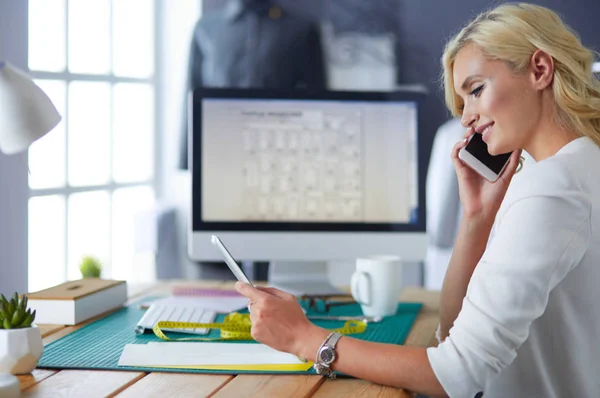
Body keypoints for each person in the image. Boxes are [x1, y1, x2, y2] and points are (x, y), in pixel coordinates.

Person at [235, 3, 600, 397]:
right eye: (463, 103)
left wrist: (305, 340)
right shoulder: (572, 167)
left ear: (540, 70)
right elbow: (452, 332)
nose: (467, 118)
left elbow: (456, 373)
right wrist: (476, 217)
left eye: (476, 90)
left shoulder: (551, 191)